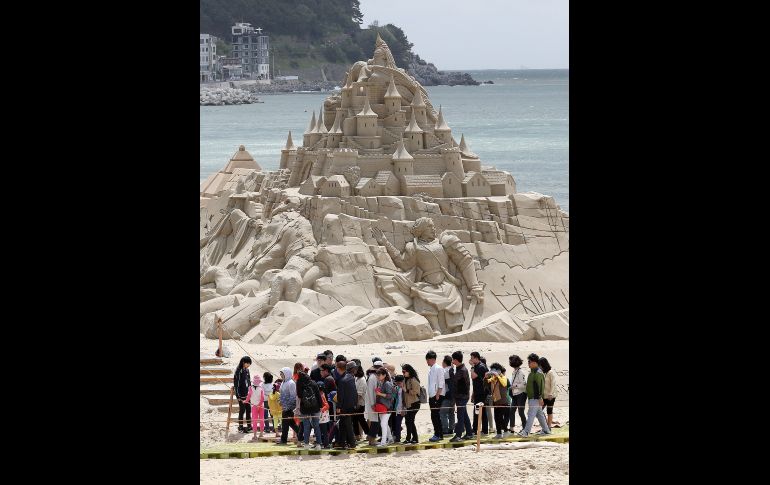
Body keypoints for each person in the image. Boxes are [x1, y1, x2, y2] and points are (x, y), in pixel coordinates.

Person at [517, 354, 551, 437]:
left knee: (531, 415)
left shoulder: (538, 373)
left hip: (535, 398)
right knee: (540, 415)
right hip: (532, 398)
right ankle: (546, 430)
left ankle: (526, 432)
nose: (528, 363)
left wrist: (540, 398)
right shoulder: (532, 372)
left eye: (529, 362)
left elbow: (540, 386)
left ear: (535, 363)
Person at [449, 351, 473, 442]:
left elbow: (454, 380)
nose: (452, 362)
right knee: (464, 415)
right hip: (462, 396)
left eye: (453, 360)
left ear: (455, 360)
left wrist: (451, 370)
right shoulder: (460, 368)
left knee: (460, 416)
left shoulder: (462, 370)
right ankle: (469, 433)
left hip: (462, 396)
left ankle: (458, 435)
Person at [295, 371, 323, 449]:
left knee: (306, 426)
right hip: (315, 407)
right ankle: (318, 445)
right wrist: (320, 406)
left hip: (305, 407)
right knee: (316, 426)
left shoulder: (299, 383)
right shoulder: (313, 383)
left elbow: (299, 395)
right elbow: (318, 395)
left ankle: (306, 444)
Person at [335, 361, 359, 449]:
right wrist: (355, 403)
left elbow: (340, 396)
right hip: (351, 405)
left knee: (347, 425)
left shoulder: (342, 380)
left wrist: (338, 407)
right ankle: (342, 442)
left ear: (338, 369)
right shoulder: (351, 378)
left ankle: (352, 443)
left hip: (344, 406)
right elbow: (354, 393)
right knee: (343, 424)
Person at [425, 351, 446, 442]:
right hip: (432, 395)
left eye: (428, 360)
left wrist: (438, 394)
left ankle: (438, 434)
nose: (427, 362)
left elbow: (441, 382)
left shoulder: (439, 368)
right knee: (434, 415)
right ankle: (439, 434)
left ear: (432, 359)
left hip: (437, 395)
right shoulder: (431, 369)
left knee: (435, 415)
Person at [485, 363, 509, 439]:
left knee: (500, 417)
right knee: (496, 417)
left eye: (494, 370)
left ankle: (506, 431)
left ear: (499, 370)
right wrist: (485, 377)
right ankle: (499, 433)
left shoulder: (503, 377)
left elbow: (504, 384)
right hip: (496, 401)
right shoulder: (493, 378)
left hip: (502, 401)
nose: (493, 372)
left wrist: (497, 375)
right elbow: (486, 383)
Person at [277, 367, 300, 445]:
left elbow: (293, 396)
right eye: (280, 374)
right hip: (284, 407)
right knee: (291, 423)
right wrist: (280, 401)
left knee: (285, 424)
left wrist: (288, 406)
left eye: (282, 374)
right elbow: (281, 393)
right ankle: (301, 436)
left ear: (287, 374)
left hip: (289, 408)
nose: (281, 376)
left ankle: (283, 440)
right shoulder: (283, 382)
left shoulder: (291, 383)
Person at [373, 368, 395, 446]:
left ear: (384, 375)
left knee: (383, 424)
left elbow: (390, 396)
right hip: (382, 406)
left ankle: (383, 442)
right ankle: (390, 439)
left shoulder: (387, 383)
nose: (378, 376)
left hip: (387, 407)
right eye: (377, 375)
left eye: (379, 375)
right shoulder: (381, 383)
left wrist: (380, 394)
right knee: (385, 424)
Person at [469, 352, 489, 435]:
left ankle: (482, 430)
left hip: (482, 393)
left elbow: (473, 376)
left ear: (476, 358)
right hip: (477, 392)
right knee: (478, 411)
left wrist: (472, 366)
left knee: (480, 411)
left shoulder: (481, 366)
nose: (471, 359)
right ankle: (477, 430)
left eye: (472, 358)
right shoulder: (477, 366)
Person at [401, 363, 421, 444]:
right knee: (409, 421)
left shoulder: (413, 379)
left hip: (414, 403)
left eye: (404, 372)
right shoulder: (405, 379)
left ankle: (409, 438)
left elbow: (416, 391)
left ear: (409, 371)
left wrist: (407, 390)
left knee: (409, 421)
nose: (403, 373)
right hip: (408, 403)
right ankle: (415, 438)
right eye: (402, 372)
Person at [365, 362, 384, 445]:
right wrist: (373, 404)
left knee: (375, 421)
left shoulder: (374, 377)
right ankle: (371, 440)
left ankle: (370, 437)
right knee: (375, 422)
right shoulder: (373, 377)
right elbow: (370, 392)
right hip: (372, 403)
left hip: (373, 403)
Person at [508, 355, 527, 432]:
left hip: (521, 394)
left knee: (521, 412)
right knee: (512, 410)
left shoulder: (520, 372)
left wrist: (514, 386)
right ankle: (512, 427)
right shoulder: (515, 371)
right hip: (515, 394)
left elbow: (523, 385)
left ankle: (525, 428)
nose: (509, 362)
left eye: (510, 361)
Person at [540, 357, 560, 428]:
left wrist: (551, 394)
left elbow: (553, 384)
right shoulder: (543, 373)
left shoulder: (550, 372)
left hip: (551, 396)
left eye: (540, 365)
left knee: (549, 411)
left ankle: (548, 427)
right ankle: (545, 425)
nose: (539, 367)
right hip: (544, 396)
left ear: (543, 365)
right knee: (539, 410)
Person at [233, 356, 252, 433]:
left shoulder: (247, 370)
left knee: (248, 409)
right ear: (244, 362)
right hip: (241, 395)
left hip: (247, 394)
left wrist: (250, 392)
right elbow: (236, 384)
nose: (249, 365)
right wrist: (238, 396)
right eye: (248, 363)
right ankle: (240, 427)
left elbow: (249, 382)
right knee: (242, 410)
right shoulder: (238, 371)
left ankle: (249, 426)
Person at [353, 363, 370, 440]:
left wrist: (356, 403)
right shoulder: (356, 378)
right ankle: (357, 435)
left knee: (361, 419)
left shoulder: (362, 380)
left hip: (360, 403)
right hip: (356, 402)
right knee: (355, 419)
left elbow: (360, 394)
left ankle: (369, 434)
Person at [247, 374, 266, 439]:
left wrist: (246, 401)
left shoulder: (250, 388)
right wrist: (259, 405)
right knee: (261, 420)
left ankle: (255, 435)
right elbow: (262, 398)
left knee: (254, 420)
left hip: (254, 406)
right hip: (261, 406)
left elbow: (249, 396)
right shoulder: (261, 388)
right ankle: (261, 434)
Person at [440, 355, 455, 435]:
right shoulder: (453, 370)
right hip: (454, 395)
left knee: (443, 413)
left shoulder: (445, 371)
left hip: (447, 395)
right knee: (451, 412)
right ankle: (451, 429)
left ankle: (445, 429)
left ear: (445, 362)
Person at [392, 374, 407, 443]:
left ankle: (409, 438)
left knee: (409, 423)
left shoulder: (405, 388)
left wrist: (404, 408)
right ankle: (398, 438)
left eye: (399, 383)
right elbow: (395, 397)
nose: (398, 384)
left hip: (405, 408)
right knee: (397, 424)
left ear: (403, 381)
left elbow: (406, 400)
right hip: (398, 408)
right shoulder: (397, 388)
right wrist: (393, 391)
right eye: (396, 383)